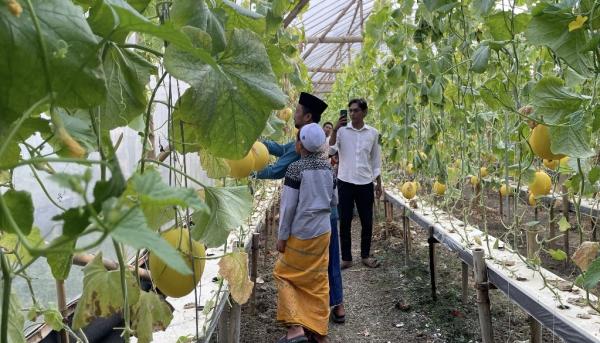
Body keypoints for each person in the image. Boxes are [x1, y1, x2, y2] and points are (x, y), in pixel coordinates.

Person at [254, 92, 346, 323]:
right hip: (325, 214)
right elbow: (282, 149)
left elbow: (278, 170)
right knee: (326, 262)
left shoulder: (307, 143)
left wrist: (251, 172)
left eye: (297, 110)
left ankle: (315, 315)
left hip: (313, 216)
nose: (293, 113)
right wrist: (259, 142)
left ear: (307, 117)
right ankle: (328, 311)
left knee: (319, 266)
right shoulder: (307, 137)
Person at [273, 123, 337, 343]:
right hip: (323, 232)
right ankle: (320, 333)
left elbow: (288, 207)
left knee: (284, 275)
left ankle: (295, 328)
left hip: (301, 233)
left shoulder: (295, 169)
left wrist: (282, 237)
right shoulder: (329, 169)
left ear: (301, 144)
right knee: (317, 281)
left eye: (297, 139)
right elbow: (334, 200)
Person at [329, 98, 383, 269]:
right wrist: (335, 129)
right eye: (350, 111)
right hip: (345, 181)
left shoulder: (373, 133)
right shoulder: (342, 132)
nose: (352, 114)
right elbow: (330, 150)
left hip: (366, 183)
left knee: (367, 221)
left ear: (364, 112)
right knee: (344, 221)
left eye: (356, 110)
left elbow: (376, 160)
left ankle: (365, 255)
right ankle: (346, 258)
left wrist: (379, 183)